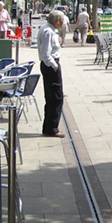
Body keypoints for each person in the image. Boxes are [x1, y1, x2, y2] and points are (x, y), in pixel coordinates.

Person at [38, 10, 65, 138]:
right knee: (56, 97)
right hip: (51, 65)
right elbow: (45, 54)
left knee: (51, 97)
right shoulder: (48, 32)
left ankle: (48, 126)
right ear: (57, 21)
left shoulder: (50, 30)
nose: (63, 23)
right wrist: (54, 66)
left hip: (50, 64)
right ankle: (52, 128)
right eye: (62, 20)